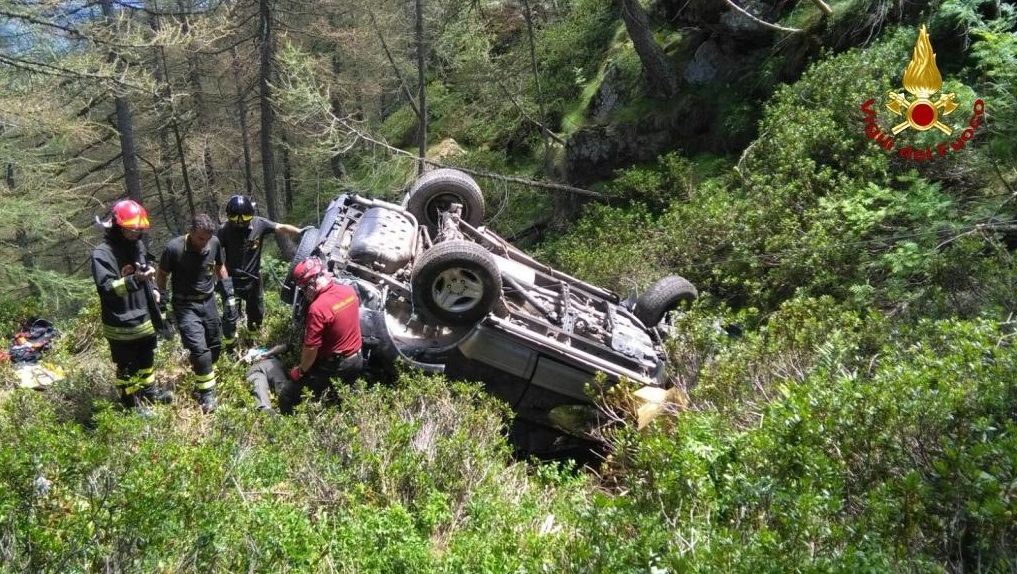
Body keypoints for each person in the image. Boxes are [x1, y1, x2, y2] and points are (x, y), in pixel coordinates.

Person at [90, 199, 174, 410]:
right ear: (117, 227)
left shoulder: (137, 244)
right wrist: (134, 280)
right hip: (121, 324)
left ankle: (150, 394)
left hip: (143, 318)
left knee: (147, 359)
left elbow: (145, 271)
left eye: (138, 230)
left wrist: (153, 288)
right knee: (126, 367)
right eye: (130, 230)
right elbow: (107, 289)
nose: (135, 234)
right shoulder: (102, 254)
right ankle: (131, 405)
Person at [155, 214, 234, 413]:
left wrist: (228, 293)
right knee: (200, 350)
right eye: (201, 239)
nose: (204, 244)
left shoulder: (214, 243)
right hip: (185, 305)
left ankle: (203, 369)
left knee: (215, 345)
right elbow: (162, 273)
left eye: (207, 239)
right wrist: (162, 299)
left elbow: (219, 266)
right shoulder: (174, 248)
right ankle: (207, 395)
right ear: (191, 232)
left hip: (208, 303)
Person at [217, 195, 302, 350]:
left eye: (245, 217)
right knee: (230, 316)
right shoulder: (224, 231)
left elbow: (280, 227)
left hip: (254, 278)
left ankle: (252, 343)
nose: (241, 221)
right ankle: (231, 348)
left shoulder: (259, 224)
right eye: (236, 218)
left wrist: (301, 232)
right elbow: (215, 254)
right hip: (233, 280)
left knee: (256, 313)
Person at [279, 257, 362, 415]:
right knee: (344, 398)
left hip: (336, 365)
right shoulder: (349, 291)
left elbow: (311, 349)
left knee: (287, 396)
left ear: (311, 283)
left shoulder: (318, 309)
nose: (304, 293)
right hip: (357, 359)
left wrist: (301, 371)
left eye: (303, 288)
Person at [241, 343, 290, 415]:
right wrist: (242, 360)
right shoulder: (247, 357)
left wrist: (267, 353)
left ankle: (289, 403)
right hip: (254, 368)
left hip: (269, 362)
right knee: (258, 384)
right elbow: (233, 368)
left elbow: (285, 347)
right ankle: (265, 409)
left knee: (279, 380)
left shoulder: (265, 350)